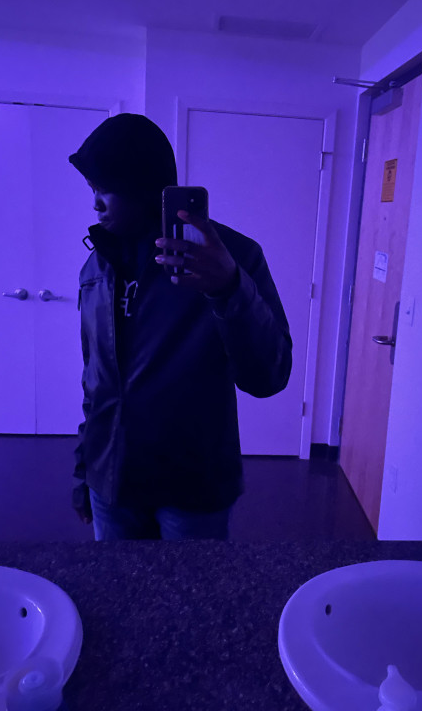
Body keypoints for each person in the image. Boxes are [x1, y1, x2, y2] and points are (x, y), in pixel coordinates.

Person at [68, 113, 292, 540]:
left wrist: (229, 288)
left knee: (192, 586)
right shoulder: (97, 265)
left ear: (141, 188)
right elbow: (95, 380)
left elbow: (270, 375)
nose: (95, 204)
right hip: (110, 481)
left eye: (104, 189)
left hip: (192, 488)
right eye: (91, 190)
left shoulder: (229, 256)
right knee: (118, 585)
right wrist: (84, 471)